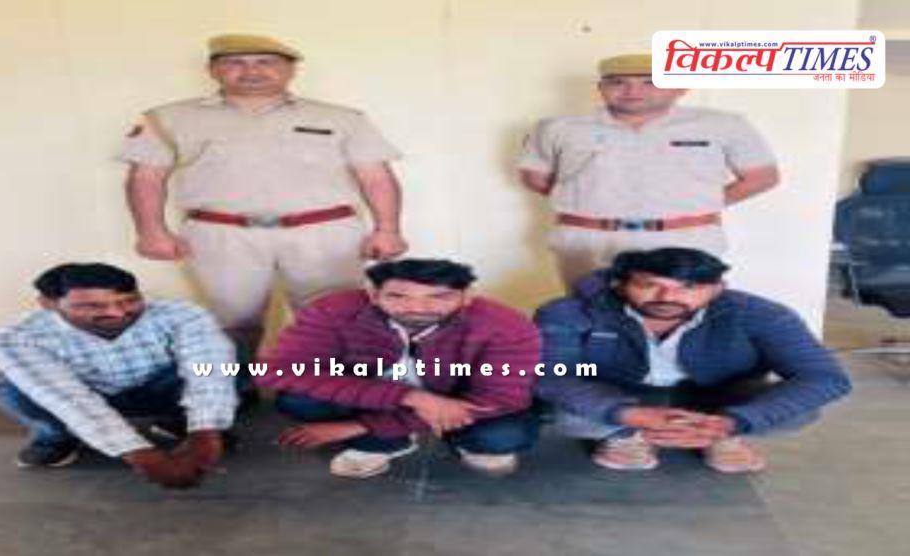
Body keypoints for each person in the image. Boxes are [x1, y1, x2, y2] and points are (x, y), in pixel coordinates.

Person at [119, 33, 408, 365]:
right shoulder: (167, 118)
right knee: (232, 322)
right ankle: (238, 388)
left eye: (266, 62)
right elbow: (145, 178)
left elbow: (376, 176)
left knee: (333, 319)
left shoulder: (343, 119)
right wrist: (151, 232)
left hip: (324, 232)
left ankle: (325, 386)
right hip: (222, 233)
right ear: (212, 70)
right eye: (235, 63)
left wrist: (388, 230)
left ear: (291, 70)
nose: (251, 71)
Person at [534, 248, 851, 473]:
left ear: (718, 289)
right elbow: (553, 373)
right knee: (562, 411)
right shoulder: (569, 313)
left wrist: (734, 421)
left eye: (689, 288)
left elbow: (824, 377)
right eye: (648, 285)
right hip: (618, 392)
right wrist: (626, 414)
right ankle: (624, 434)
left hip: (719, 396)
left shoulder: (760, 314)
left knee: (800, 409)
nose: (667, 297)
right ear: (620, 285)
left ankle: (723, 437)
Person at [256, 259, 540, 479]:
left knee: (501, 436)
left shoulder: (506, 326)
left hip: (457, 404)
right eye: (398, 297)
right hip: (372, 398)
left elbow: (500, 399)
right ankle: (385, 443)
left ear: (467, 296)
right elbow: (278, 371)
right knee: (300, 400)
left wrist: (358, 426)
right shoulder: (331, 311)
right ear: (373, 294)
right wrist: (412, 398)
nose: (418, 307)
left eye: (439, 297)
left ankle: (449, 437)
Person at [518, 53, 780, 287]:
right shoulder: (558, 128)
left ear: (681, 88)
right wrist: (587, 198)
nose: (633, 91)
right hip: (587, 240)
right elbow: (534, 177)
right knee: (586, 312)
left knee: (679, 312)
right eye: (618, 82)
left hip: (685, 238)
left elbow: (761, 177)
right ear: (601, 88)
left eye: (650, 82)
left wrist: (697, 203)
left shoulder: (722, 125)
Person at [0, 263, 239, 489]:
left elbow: (209, 370)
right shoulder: (13, 338)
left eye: (129, 300)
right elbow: (66, 398)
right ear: (48, 304)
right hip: (87, 394)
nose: (117, 313)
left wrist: (205, 431)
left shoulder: (181, 313)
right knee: (11, 390)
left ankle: (180, 420)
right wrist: (144, 458)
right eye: (92, 306)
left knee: (226, 367)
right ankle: (56, 438)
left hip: (157, 388)